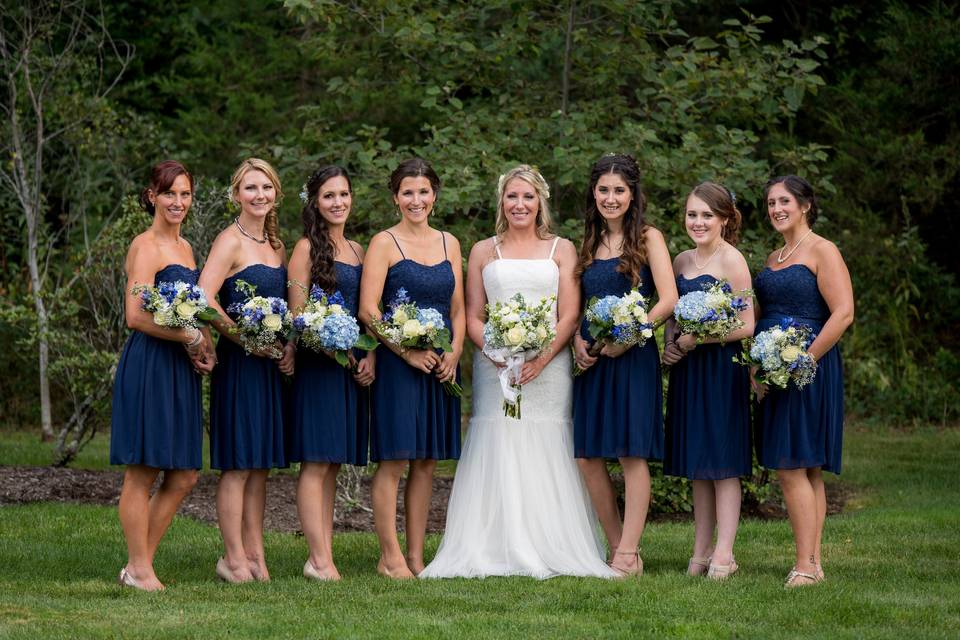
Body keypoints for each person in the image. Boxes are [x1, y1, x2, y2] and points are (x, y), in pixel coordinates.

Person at [420, 164, 618, 579]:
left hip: (550, 367)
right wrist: (495, 353)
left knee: (548, 438)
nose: (520, 204)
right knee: (500, 437)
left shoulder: (560, 249)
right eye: (512, 196)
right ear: (502, 202)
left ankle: (552, 542)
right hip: (496, 368)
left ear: (540, 201)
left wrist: (540, 358)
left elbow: (569, 315)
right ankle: (494, 543)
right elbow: (472, 315)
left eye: (528, 197)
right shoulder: (482, 251)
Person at [572, 154, 678, 577]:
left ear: (632, 195)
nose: (610, 198)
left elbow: (668, 299)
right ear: (593, 193)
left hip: (632, 358)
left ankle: (629, 551)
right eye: (603, 190)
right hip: (593, 361)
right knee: (589, 455)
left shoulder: (649, 238)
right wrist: (579, 342)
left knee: (631, 453)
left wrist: (629, 336)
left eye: (618, 190)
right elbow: (579, 304)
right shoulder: (589, 241)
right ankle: (618, 545)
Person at [111, 160, 213, 591]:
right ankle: (139, 568)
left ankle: (139, 565)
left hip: (179, 367)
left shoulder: (186, 249)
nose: (178, 202)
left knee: (185, 473)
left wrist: (202, 342)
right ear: (152, 196)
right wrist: (188, 335)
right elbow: (135, 316)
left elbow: (193, 309)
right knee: (144, 469)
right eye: (169, 193)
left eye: (185, 194)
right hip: (151, 362)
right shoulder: (145, 246)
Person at [359, 158, 464, 579]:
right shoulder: (384, 243)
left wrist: (454, 351)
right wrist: (407, 353)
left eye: (423, 192)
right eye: (407, 192)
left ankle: (417, 556)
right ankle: (390, 557)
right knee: (395, 460)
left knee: (426, 462)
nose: (416, 200)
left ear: (434, 196)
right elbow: (369, 310)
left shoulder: (450, 243)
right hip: (399, 366)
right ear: (395, 197)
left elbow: (457, 306)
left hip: (441, 365)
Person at [753, 175, 853, 587]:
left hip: (810, 367)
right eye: (772, 202)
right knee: (804, 467)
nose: (777, 208)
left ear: (805, 205)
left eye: (785, 201)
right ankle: (812, 562)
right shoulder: (775, 256)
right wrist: (759, 367)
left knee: (795, 466)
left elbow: (843, 312)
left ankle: (806, 566)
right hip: (775, 368)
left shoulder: (822, 250)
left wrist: (803, 361)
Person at [199, 158, 294, 583]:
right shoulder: (229, 241)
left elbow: (288, 309)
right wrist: (243, 338)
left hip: (270, 366)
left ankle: (256, 555)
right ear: (237, 194)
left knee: (260, 465)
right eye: (251, 188)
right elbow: (204, 298)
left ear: (276, 194)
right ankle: (232, 558)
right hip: (240, 363)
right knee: (238, 463)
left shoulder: (278, 246)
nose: (260, 196)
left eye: (267, 188)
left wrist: (287, 344)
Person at [661, 182, 755, 580]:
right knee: (699, 463)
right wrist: (670, 344)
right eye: (692, 214)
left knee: (723, 462)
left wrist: (701, 338)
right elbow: (670, 312)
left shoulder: (733, 261)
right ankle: (699, 552)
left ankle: (724, 554)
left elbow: (747, 324)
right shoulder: (680, 261)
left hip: (721, 369)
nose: (698, 222)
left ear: (725, 219)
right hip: (688, 369)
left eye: (706, 215)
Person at [287, 165, 375, 581]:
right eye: (329, 196)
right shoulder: (305, 248)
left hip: (351, 369)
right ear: (315, 203)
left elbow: (366, 314)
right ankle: (318, 559)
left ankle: (323, 556)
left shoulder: (359, 251)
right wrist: (330, 346)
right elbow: (297, 314)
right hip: (319, 367)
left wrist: (365, 354)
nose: (338, 202)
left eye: (343, 194)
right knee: (316, 462)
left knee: (334, 463)